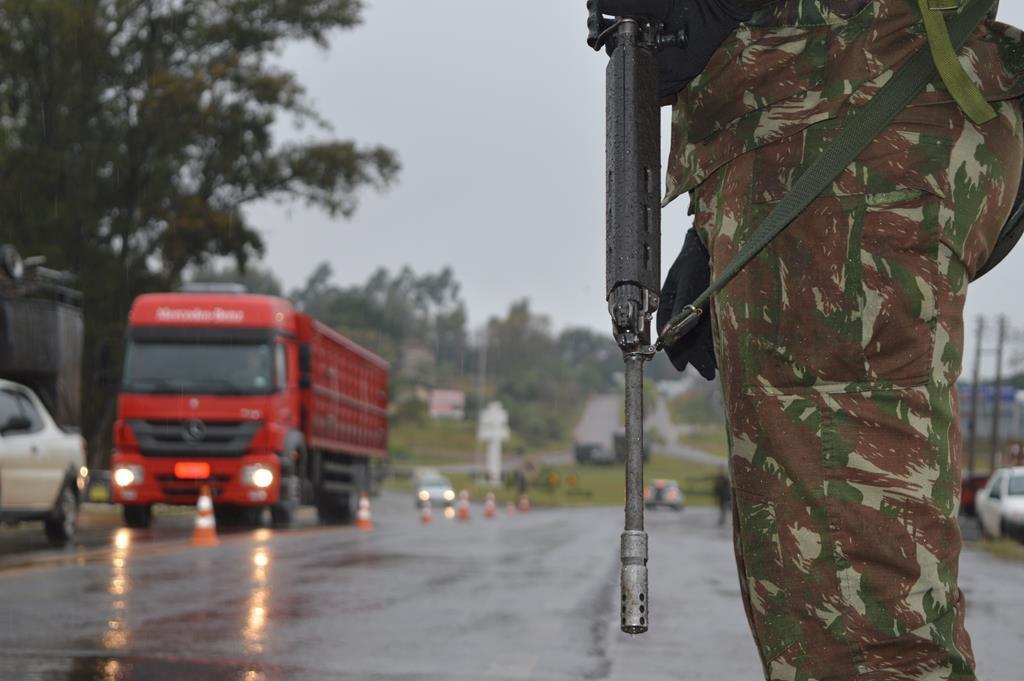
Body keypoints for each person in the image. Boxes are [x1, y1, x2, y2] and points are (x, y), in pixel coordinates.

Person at [596, 0, 1024, 678]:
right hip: (812, 131)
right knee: (823, 615)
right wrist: (720, 215)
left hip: (848, 121)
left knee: (859, 637)